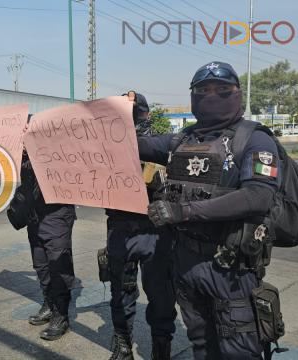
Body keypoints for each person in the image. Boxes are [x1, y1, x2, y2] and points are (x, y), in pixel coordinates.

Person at [139, 61, 280, 359]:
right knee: (201, 344)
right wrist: (118, 115)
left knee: (239, 349)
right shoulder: (181, 140)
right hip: (186, 264)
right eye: (203, 90)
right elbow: (131, 144)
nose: (211, 95)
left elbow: (257, 197)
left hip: (230, 269)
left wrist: (183, 212)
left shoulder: (254, 138)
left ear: (237, 93)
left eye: (222, 89)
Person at [104, 92, 176, 360]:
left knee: (160, 293)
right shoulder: (104, 144)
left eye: (134, 113)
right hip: (120, 227)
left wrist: (160, 183)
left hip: (154, 229)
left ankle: (161, 347)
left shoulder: (164, 144)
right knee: (120, 289)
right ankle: (122, 343)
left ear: (145, 115)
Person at [21, 150, 77, 341]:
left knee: (58, 265)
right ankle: (49, 303)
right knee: (41, 265)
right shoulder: (24, 154)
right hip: (34, 214)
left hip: (57, 214)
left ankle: (61, 315)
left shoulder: (60, 147)